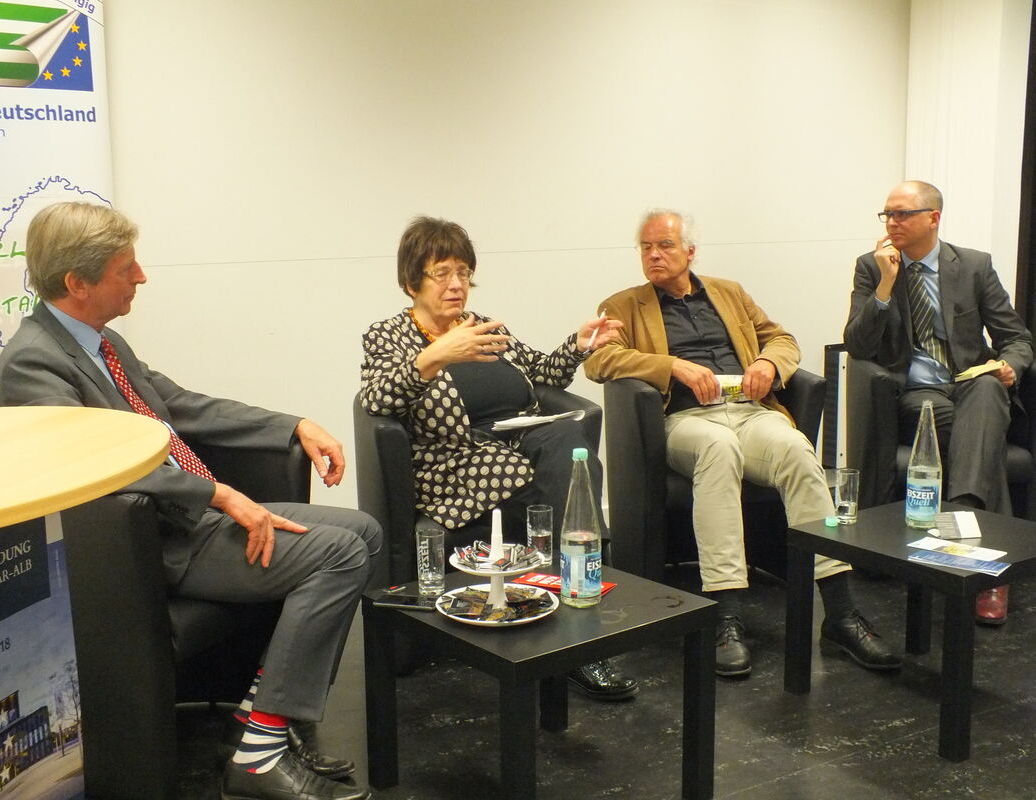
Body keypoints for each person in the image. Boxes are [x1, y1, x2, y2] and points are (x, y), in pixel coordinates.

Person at [0, 202, 380, 800]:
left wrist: (293, 424)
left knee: (365, 532)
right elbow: (89, 471)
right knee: (341, 555)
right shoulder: (30, 364)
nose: (141, 277)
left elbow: (182, 406)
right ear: (78, 283)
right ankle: (259, 754)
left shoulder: (102, 342)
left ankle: (262, 721)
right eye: (125, 268)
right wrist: (218, 494)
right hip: (149, 543)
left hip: (191, 518)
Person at [584, 209, 900, 678]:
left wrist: (768, 365)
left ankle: (840, 612)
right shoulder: (623, 304)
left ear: (690, 251)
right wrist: (671, 366)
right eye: (646, 247)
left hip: (750, 412)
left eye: (665, 245)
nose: (653, 255)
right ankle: (726, 613)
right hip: (686, 421)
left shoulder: (729, 292)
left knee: (796, 449)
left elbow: (782, 339)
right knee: (718, 447)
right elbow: (600, 361)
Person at [360, 215, 637, 700]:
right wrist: (437, 355)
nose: (456, 285)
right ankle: (583, 607)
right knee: (560, 476)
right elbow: (377, 399)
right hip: (457, 462)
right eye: (442, 273)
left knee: (569, 445)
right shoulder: (388, 335)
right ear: (411, 282)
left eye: (464, 272)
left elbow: (542, 373)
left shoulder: (483, 326)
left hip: (520, 442)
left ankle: (573, 597)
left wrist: (577, 346)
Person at [844, 180, 1033, 625]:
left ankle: (963, 517)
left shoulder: (973, 266)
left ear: (933, 218)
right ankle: (988, 568)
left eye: (902, 214)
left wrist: (1010, 365)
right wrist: (886, 285)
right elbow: (858, 344)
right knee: (976, 433)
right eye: (887, 214)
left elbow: (1016, 337)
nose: (892, 223)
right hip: (918, 394)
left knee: (987, 389)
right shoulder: (872, 267)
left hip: (971, 384)